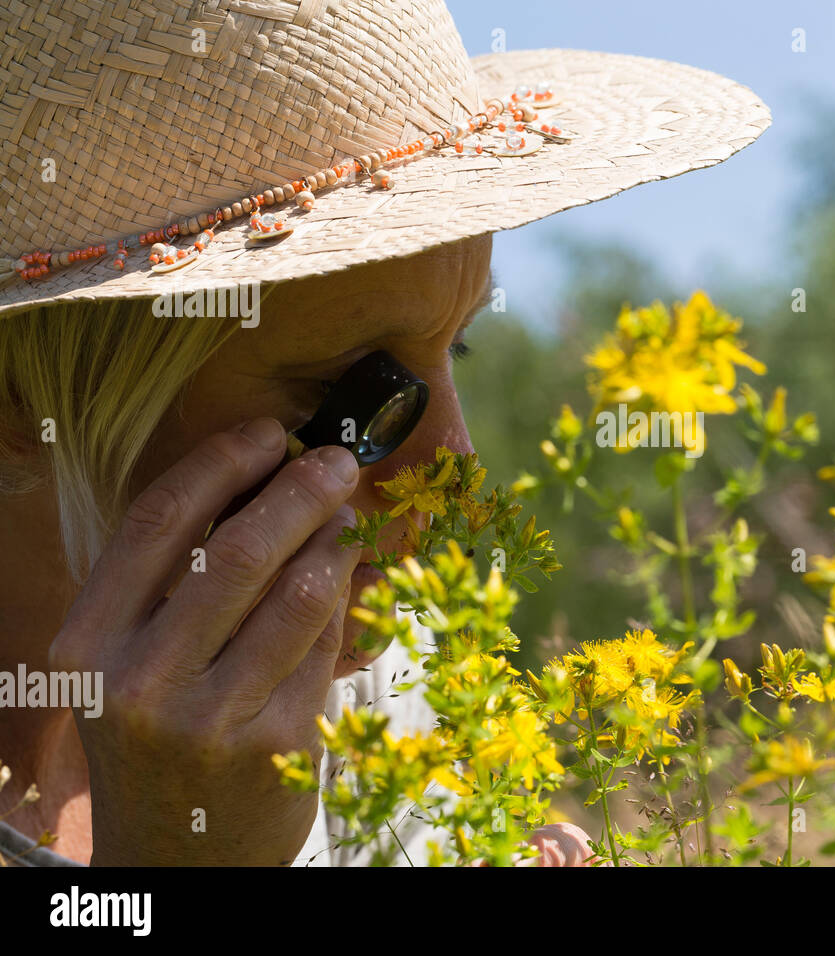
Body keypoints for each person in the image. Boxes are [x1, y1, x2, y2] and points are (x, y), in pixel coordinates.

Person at [0, 0, 768, 866]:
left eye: (458, 346)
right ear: (18, 398)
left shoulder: (366, 686)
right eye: (353, 391)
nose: (455, 473)